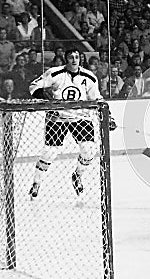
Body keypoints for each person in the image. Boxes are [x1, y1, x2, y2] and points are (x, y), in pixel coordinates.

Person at [28, 48, 117, 199]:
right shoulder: (54, 73)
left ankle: (77, 175)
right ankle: (36, 183)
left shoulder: (89, 77)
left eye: (77, 57)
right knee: (50, 152)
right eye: (71, 57)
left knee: (89, 150)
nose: (74, 60)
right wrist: (49, 103)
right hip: (58, 117)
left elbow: (97, 99)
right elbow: (33, 87)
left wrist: (109, 117)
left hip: (80, 117)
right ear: (65, 59)